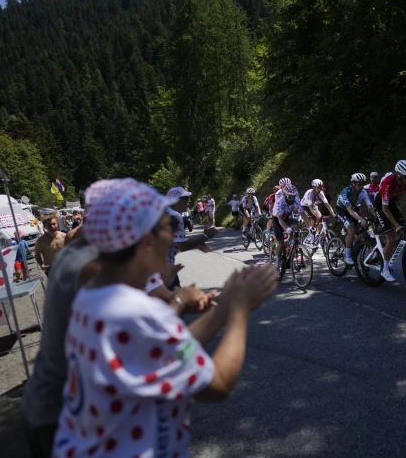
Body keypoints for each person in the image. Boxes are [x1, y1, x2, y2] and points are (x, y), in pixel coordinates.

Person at [51, 179, 278, 458]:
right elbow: (216, 385)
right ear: (146, 241)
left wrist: (220, 310)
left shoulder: (92, 296)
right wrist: (240, 309)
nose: (173, 238)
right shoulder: (137, 312)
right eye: (167, 229)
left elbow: (169, 352)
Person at [374, 160, 406, 282]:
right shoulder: (388, 182)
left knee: (403, 231)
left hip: (391, 204)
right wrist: (395, 225)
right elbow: (385, 209)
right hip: (380, 205)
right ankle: (385, 269)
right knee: (391, 238)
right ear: (398, 174)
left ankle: (386, 251)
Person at [336, 173, 379, 265]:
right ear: (353, 184)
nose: (361, 187)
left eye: (362, 184)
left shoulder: (363, 192)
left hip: (353, 210)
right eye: (359, 184)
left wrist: (377, 216)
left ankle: (352, 249)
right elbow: (350, 212)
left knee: (359, 236)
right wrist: (361, 219)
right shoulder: (346, 192)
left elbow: (370, 207)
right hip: (342, 210)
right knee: (351, 229)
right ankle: (347, 257)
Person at [271, 183, 303, 279]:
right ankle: (276, 266)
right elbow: (280, 219)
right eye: (290, 197)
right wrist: (287, 228)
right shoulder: (280, 202)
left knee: (296, 227)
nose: (292, 199)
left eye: (293, 196)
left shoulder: (295, 200)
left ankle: (294, 246)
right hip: (277, 219)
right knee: (280, 242)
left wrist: (310, 227)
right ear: (285, 195)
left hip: (287, 217)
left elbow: (303, 213)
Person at [300, 179, 336, 248]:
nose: (320, 189)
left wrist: (333, 214)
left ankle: (316, 236)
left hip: (312, 205)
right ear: (314, 187)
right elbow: (310, 208)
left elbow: (327, 204)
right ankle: (310, 235)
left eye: (321, 187)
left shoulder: (320, 193)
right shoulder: (310, 194)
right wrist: (315, 215)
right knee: (314, 217)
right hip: (304, 205)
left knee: (320, 218)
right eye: (318, 188)